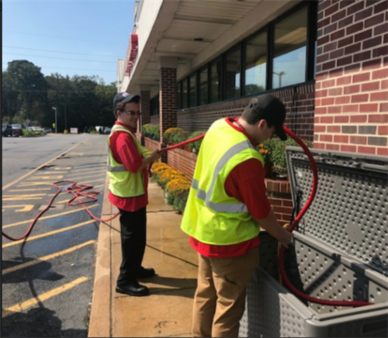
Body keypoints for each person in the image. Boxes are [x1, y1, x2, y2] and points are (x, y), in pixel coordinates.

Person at [181, 94, 293, 337]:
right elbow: (261, 213)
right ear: (262, 124)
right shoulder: (247, 158)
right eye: (272, 132)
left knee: (205, 296)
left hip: (202, 233)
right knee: (228, 311)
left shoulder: (218, 126)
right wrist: (284, 236)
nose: (270, 138)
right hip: (229, 245)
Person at [108, 92, 161, 297]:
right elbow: (133, 166)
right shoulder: (121, 136)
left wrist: (149, 158)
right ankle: (125, 280)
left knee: (138, 238)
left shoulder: (127, 132)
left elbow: (138, 156)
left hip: (134, 195)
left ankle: (135, 268)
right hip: (129, 196)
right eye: (131, 112)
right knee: (132, 240)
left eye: (138, 113)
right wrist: (154, 157)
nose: (136, 117)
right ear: (118, 112)